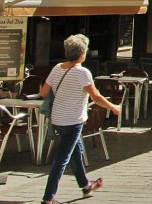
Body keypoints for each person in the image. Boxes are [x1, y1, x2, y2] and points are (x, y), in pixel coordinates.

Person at [40, 34, 121, 204]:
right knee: (62, 159)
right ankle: (48, 198)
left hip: (58, 119)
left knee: (75, 152)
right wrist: (113, 107)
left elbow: (43, 92)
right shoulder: (83, 72)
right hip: (73, 121)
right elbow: (96, 97)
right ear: (82, 53)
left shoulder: (57, 68)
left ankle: (85, 185)